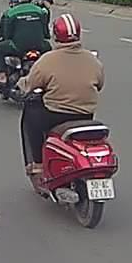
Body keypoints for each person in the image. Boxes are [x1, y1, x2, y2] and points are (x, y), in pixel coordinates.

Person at [19, 14, 104, 176]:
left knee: (30, 111)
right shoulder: (93, 60)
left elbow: (30, 84)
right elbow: (99, 85)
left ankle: (37, 163)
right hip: (86, 114)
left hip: (55, 114)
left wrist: (21, 84)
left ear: (56, 35)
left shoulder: (47, 60)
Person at [0, 0, 51, 84]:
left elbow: (6, 34)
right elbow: (46, 33)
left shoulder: (10, 13)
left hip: (18, 47)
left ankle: (2, 76)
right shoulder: (41, 11)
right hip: (40, 46)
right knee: (51, 54)